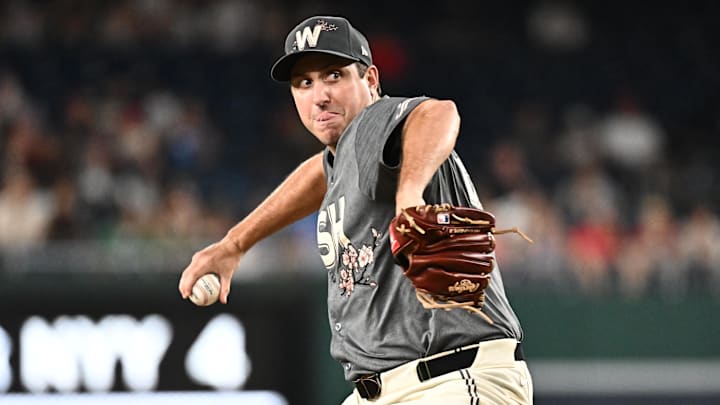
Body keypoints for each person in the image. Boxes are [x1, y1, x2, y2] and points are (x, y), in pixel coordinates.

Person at [178, 15, 533, 404]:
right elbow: (318, 173)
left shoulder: (375, 123)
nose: (320, 94)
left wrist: (410, 195)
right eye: (304, 83)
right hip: (387, 389)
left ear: (370, 80)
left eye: (334, 75)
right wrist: (235, 243)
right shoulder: (343, 157)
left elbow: (437, 112)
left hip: (446, 379)